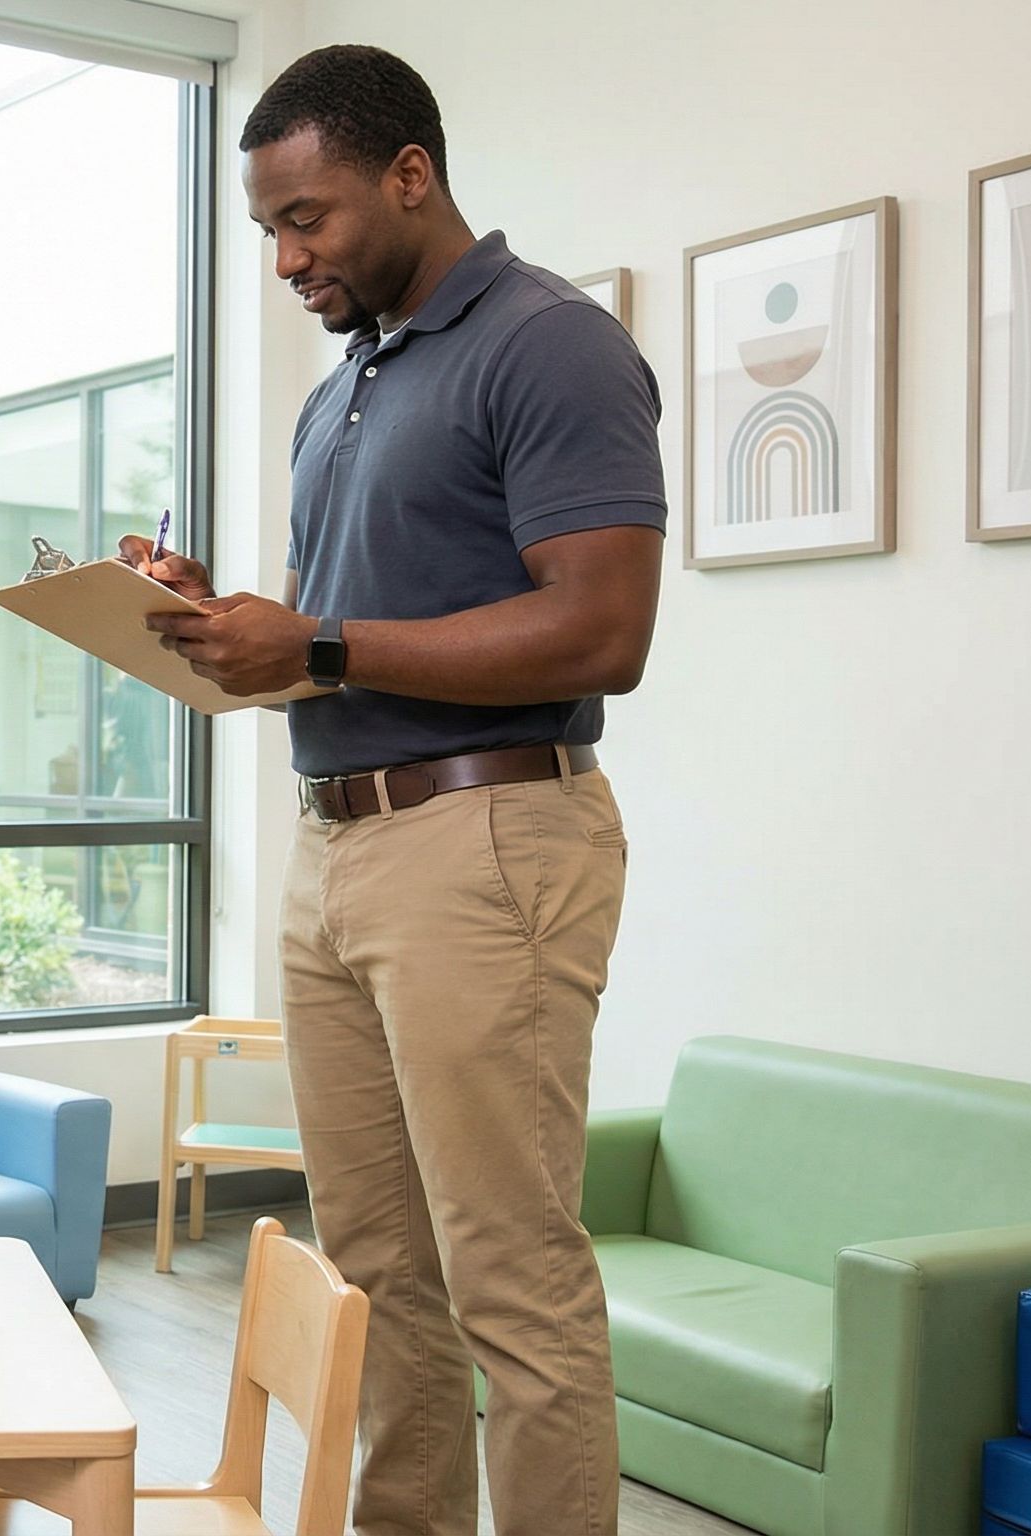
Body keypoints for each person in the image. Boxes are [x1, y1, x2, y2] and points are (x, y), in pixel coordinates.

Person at [124, 44, 664, 1536]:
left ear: (411, 176)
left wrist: (326, 637)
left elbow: (605, 631)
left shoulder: (548, 343)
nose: (289, 258)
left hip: (489, 840)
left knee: (514, 1278)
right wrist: (215, 621)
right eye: (270, 231)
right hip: (338, 847)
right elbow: (341, 646)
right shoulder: (345, 387)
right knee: (378, 1269)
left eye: (311, 220)